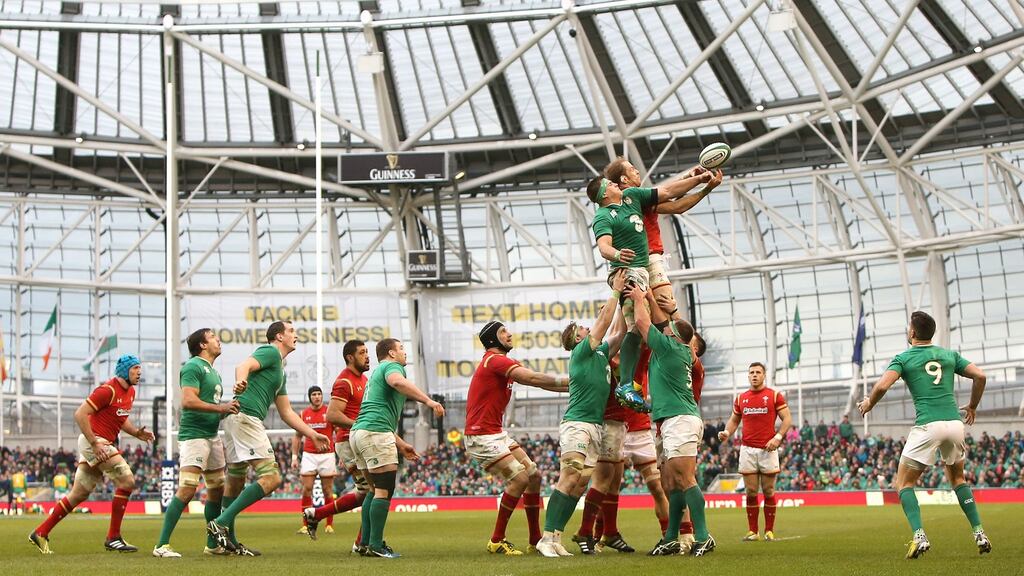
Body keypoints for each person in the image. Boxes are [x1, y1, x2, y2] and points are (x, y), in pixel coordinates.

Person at [858, 311, 991, 559]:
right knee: (958, 479)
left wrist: (869, 404)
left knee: (903, 483)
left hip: (928, 425)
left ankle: (919, 535)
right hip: (954, 423)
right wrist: (972, 406)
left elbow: (882, 385)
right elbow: (980, 375)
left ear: (912, 333)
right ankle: (979, 532)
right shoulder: (949, 355)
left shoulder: (904, 357)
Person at [586, 169, 721, 405]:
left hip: (649, 262)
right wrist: (617, 254)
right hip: (633, 267)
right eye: (631, 169)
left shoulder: (636, 197)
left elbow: (670, 192)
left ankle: (666, 362)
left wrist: (701, 180)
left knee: (665, 314)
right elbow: (604, 246)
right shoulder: (607, 214)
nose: (638, 171)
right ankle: (628, 381)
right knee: (635, 325)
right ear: (615, 185)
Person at [207, 321, 331, 556]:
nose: (296, 335)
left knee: (235, 482)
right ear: (278, 336)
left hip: (236, 419)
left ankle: (228, 542)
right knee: (272, 478)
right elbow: (243, 366)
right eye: (291, 331)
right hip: (246, 419)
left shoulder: (279, 371)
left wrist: (312, 433)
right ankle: (220, 523)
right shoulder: (271, 352)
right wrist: (241, 380)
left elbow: (286, 413)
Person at [536, 270, 626, 558]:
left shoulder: (599, 354)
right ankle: (545, 538)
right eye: (582, 329)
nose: (588, 329)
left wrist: (623, 304)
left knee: (578, 483)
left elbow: (620, 332)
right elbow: (603, 323)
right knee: (569, 476)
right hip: (577, 424)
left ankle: (556, 537)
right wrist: (615, 291)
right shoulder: (581, 353)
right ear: (576, 339)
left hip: (595, 426)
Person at [463, 320, 569, 556]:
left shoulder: (501, 362)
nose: (509, 335)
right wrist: (574, 383)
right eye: (503, 332)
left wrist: (574, 388)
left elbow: (537, 382)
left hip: (495, 433)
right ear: (492, 339)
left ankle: (534, 539)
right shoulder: (495, 360)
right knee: (520, 479)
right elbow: (532, 379)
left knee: (533, 475)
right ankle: (496, 539)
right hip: (481, 434)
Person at [29, 354, 154, 554]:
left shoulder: (130, 392)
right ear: (125, 371)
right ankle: (113, 537)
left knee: (79, 494)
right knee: (127, 481)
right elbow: (80, 414)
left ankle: (40, 532)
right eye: (135, 368)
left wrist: (137, 433)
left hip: (98, 443)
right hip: (95, 442)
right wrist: (95, 443)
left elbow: (121, 420)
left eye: (140, 368)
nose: (139, 372)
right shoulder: (107, 390)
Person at [629, 286, 714, 556]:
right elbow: (661, 322)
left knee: (685, 478)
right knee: (670, 483)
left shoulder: (670, 348)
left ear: (678, 337)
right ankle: (671, 537)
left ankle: (703, 536)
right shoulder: (675, 348)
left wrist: (640, 298)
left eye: (671, 327)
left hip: (681, 420)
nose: (666, 326)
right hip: (668, 420)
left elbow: (644, 323)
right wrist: (654, 299)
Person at [350, 338, 445, 558]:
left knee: (373, 490)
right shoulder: (392, 367)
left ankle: (365, 543)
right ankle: (375, 545)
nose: (405, 353)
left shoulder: (374, 374)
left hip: (359, 433)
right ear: (391, 353)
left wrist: (400, 444)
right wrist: (428, 402)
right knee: (384, 490)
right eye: (401, 348)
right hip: (375, 433)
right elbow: (398, 382)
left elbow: (378, 412)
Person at [154, 328, 240, 558]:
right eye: (212, 337)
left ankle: (212, 544)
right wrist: (221, 408)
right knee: (187, 489)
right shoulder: (193, 366)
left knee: (216, 490)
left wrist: (228, 409)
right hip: (194, 436)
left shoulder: (213, 372)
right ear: (202, 345)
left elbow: (210, 407)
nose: (218, 339)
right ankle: (161, 545)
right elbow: (188, 401)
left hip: (212, 436)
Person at [603, 159, 722, 322]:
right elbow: (674, 202)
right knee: (667, 313)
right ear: (624, 179)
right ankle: (684, 345)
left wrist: (689, 177)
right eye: (632, 169)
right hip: (648, 260)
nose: (637, 171)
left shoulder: (619, 203)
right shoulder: (633, 197)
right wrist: (703, 185)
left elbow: (667, 195)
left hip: (630, 267)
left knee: (637, 325)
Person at [303, 340, 370, 547]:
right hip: (349, 441)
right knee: (374, 491)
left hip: (355, 441)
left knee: (364, 493)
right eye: (362, 352)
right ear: (350, 357)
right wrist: (360, 425)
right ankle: (363, 542)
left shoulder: (364, 379)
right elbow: (332, 415)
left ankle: (316, 513)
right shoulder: (344, 381)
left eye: (367, 351)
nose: (367, 356)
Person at [718, 361, 792, 542]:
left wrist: (778, 437)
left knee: (768, 491)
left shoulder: (774, 396)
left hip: (768, 449)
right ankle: (753, 531)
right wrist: (727, 432)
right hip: (747, 450)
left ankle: (769, 530)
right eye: (751, 372)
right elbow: (734, 420)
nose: (754, 375)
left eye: (758, 372)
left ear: (764, 375)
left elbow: (787, 418)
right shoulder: (741, 398)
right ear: (748, 375)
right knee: (751, 491)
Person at [292, 385, 336, 537]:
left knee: (327, 490)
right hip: (309, 455)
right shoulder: (304, 414)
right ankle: (305, 525)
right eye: (314, 394)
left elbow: (338, 432)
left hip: (327, 455)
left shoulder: (329, 413)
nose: (317, 397)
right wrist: (293, 457)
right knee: (307, 488)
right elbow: (297, 436)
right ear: (310, 397)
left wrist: (343, 455)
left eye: (319, 394)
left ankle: (329, 524)